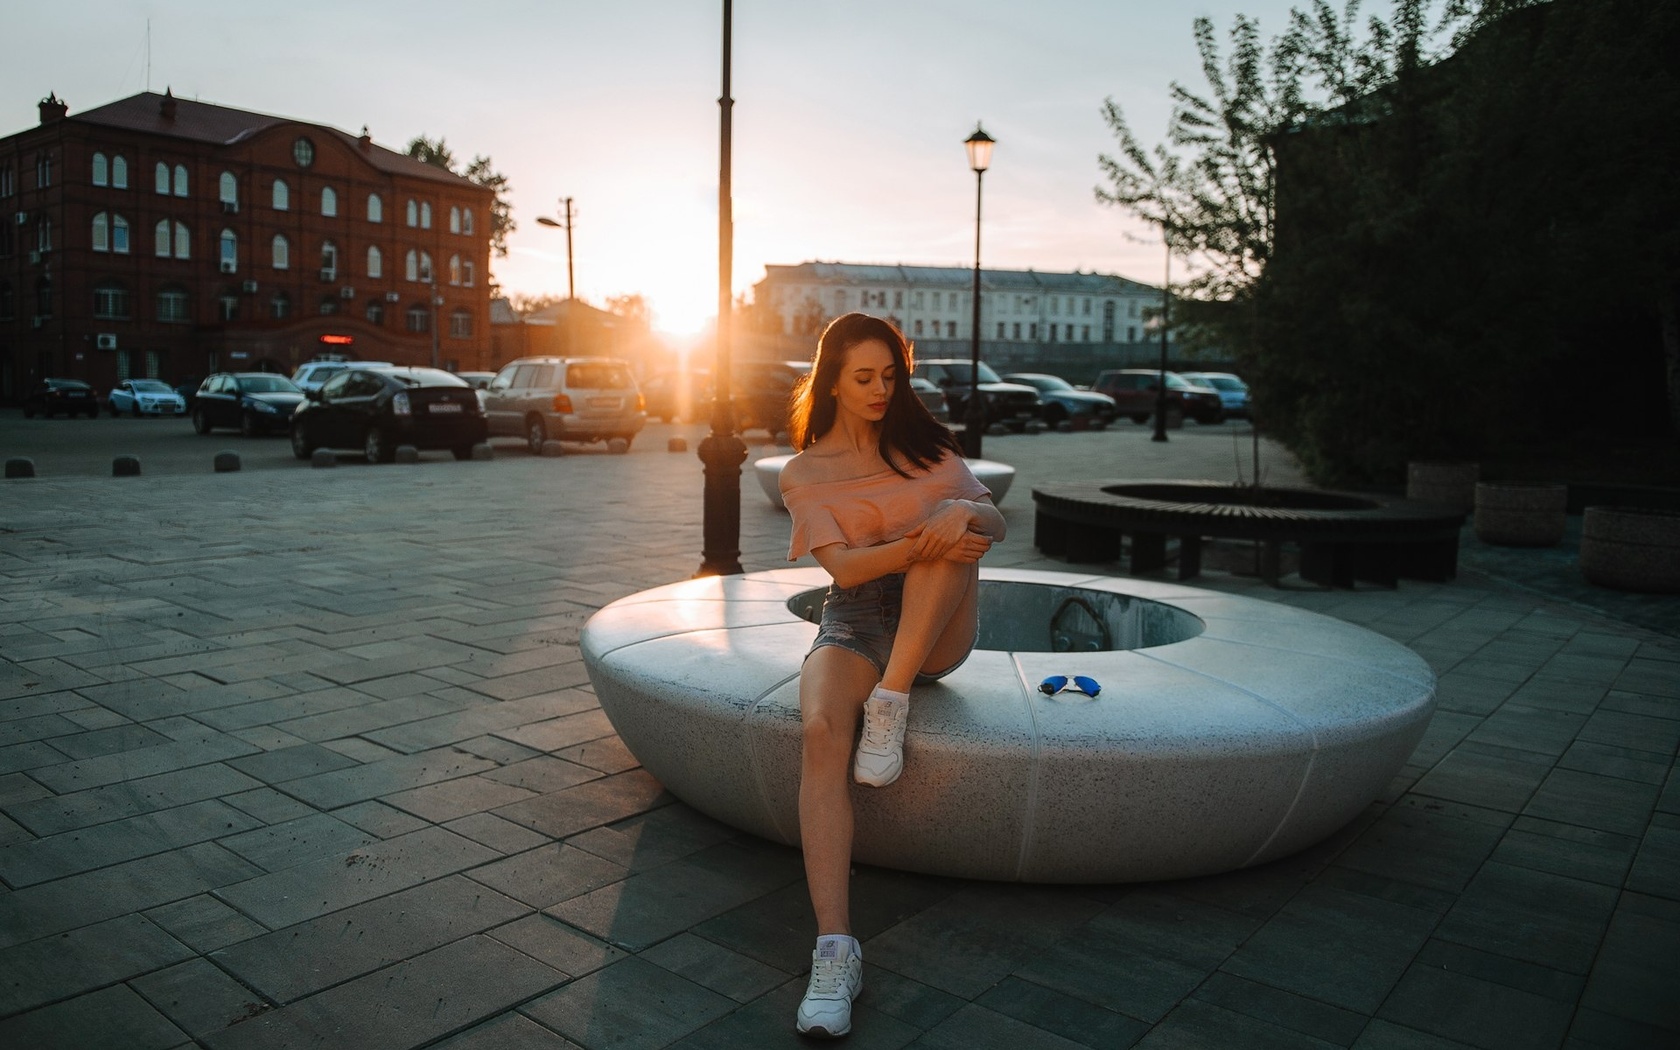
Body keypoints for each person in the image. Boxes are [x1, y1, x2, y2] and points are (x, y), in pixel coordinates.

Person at [779, 312, 1007, 1038]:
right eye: (865, 378)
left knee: (956, 528)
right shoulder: (804, 470)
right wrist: (924, 535)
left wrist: (959, 512)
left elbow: (993, 523)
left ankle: (893, 699)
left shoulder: (927, 445)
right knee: (818, 731)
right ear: (833, 382)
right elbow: (842, 569)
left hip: (935, 627)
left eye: (891, 375)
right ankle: (835, 949)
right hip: (853, 616)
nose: (882, 390)